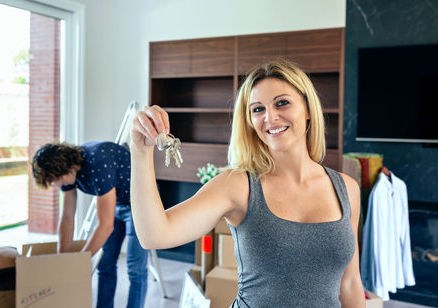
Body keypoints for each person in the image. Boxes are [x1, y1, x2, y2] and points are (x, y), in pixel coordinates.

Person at [129, 59, 365, 307]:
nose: (270, 117)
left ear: (307, 109)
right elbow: (155, 235)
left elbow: (350, 283)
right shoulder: (238, 185)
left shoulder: (347, 189)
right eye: (257, 109)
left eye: (282, 103)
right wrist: (140, 151)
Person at [31, 141, 148, 308]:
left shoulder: (98, 161)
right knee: (105, 264)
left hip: (141, 203)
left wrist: (78, 263)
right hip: (117, 202)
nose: (57, 185)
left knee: (135, 269)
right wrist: (62, 261)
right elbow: (67, 218)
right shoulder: (69, 174)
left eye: (56, 180)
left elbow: (105, 226)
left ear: (64, 166)